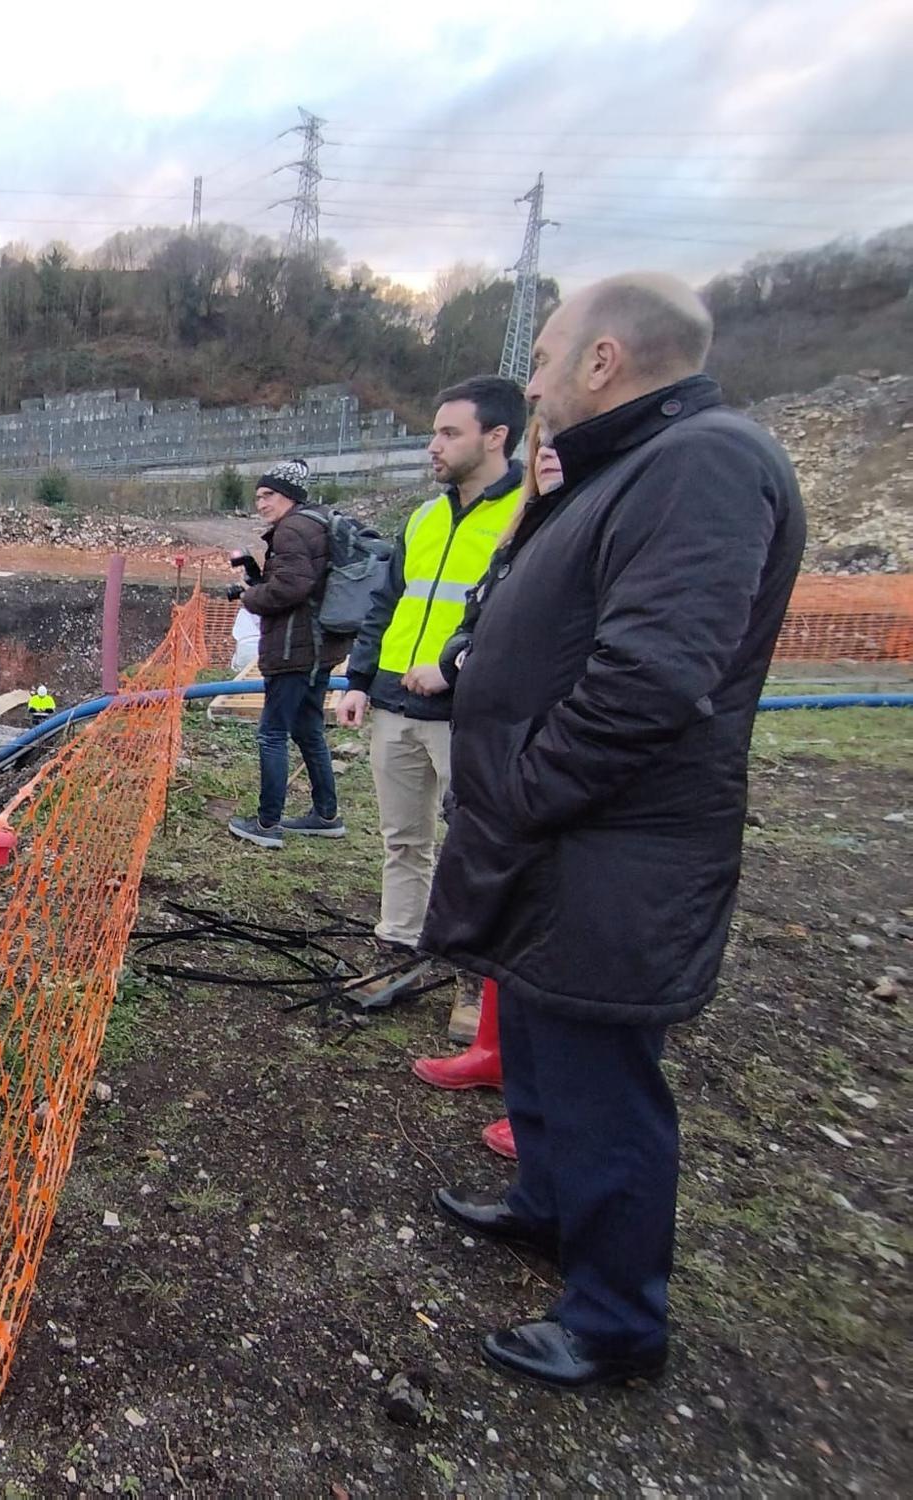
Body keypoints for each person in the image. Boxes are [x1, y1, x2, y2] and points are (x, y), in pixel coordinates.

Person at [421, 274, 804, 1390]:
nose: (528, 383)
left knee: (601, 1078)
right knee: (542, 1040)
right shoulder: (626, 466)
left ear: (602, 361)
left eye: (539, 361)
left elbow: (648, 679)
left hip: (610, 844)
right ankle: (547, 1206)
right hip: (559, 840)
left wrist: (525, 786)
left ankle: (614, 1320)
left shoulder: (704, 465)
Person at [339, 377, 527, 1040]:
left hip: (468, 714)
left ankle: (475, 981)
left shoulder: (528, 516)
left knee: (473, 845)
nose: (433, 446)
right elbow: (386, 604)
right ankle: (398, 948)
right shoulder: (422, 518)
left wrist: (453, 668)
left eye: (450, 433)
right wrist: (359, 680)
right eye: (435, 432)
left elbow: (522, 619)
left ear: (496, 436)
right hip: (393, 703)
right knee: (403, 838)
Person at [225, 460, 349, 849]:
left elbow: (290, 588)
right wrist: (259, 578)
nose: (261, 503)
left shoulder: (293, 529)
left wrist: (249, 595)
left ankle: (267, 823)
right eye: (258, 496)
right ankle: (325, 815)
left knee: (272, 734)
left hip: (294, 649)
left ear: (290, 495)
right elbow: (299, 583)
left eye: (269, 495)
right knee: (309, 730)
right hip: (318, 647)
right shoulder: (315, 523)